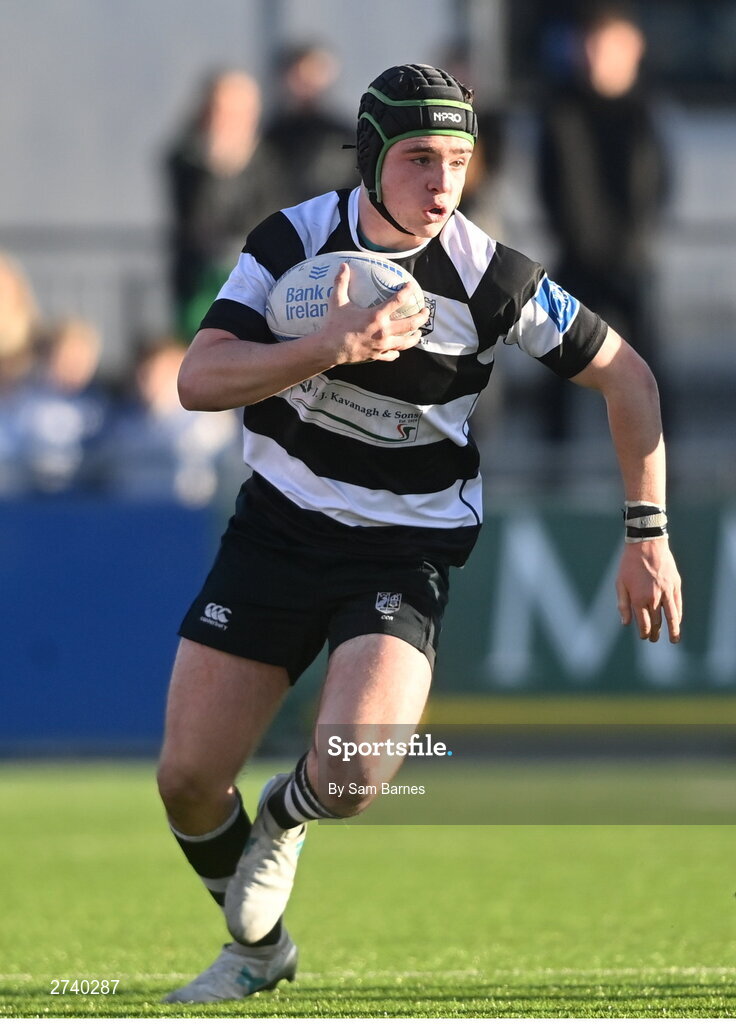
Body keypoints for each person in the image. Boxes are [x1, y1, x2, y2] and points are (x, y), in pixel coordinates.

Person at [156, 63, 682, 1004]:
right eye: (420, 159)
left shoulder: (490, 277)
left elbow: (630, 379)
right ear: (369, 158)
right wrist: (330, 345)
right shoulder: (293, 240)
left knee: (353, 776)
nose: (443, 184)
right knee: (189, 782)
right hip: (275, 532)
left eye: (460, 161)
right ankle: (261, 950)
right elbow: (199, 378)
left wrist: (649, 535)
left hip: (401, 550)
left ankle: (288, 812)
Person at [537, 3, 671, 443]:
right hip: (576, 258)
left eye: (607, 46)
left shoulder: (646, 111)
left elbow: (659, 183)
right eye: (590, 46)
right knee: (559, 363)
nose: (597, 57)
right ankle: (554, 467)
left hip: (632, 259)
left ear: (632, 49)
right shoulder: (562, 109)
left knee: (648, 368)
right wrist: (575, 237)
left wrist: (636, 240)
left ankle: (661, 460)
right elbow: (551, 183)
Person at [165, 69, 288, 339]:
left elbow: (267, 221)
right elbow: (196, 223)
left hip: (255, 281)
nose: (226, 120)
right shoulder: (187, 160)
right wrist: (215, 165)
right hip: (200, 282)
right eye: (220, 110)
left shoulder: (270, 161)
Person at [261, 42, 359, 206]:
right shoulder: (271, 135)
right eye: (299, 76)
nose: (306, 84)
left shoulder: (344, 136)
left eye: (314, 74)